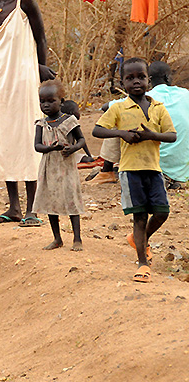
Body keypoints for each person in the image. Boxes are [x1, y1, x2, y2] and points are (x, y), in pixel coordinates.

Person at [0, 0, 56, 227]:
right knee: (4, 139)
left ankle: (32, 209)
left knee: (27, 137)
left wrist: (42, 71)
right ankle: (13, 207)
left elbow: (41, 37)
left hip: (24, 79)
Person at [93, 58, 176, 283]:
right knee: (139, 217)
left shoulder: (158, 107)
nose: (136, 81)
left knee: (162, 212)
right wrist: (121, 133)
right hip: (130, 171)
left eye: (141, 77)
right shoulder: (118, 107)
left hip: (154, 170)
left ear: (149, 80)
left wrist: (152, 136)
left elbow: (172, 135)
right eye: (130, 78)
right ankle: (142, 263)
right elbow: (97, 130)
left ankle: (140, 239)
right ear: (122, 82)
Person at [32, 80, 86, 251]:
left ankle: (77, 239)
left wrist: (73, 149)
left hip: (66, 167)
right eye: (42, 101)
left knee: (71, 201)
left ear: (61, 101)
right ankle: (57, 238)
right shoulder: (41, 124)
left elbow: (81, 140)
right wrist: (51, 148)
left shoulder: (69, 121)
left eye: (51, 101)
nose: (46, 105)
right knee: (50, 202)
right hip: (49, 168)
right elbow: (37, 146)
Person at [145, 61, 189, 189]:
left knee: (122, 117)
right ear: (167, 77)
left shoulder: (145, 98)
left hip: (156, 165)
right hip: (185, 167)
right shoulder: (185, 94)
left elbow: (105, 107)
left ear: (149, 80)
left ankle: (107, 171)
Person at [60, 100, 96, 165]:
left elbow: (81, 140)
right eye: (77, 110)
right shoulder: (71, 124)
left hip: (69, 153)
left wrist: (89, 155)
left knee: (87, 157)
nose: (79, 113)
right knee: (89, 159)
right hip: (68, 155)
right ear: (72, 113)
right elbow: (82, 141)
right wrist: (89, 156)